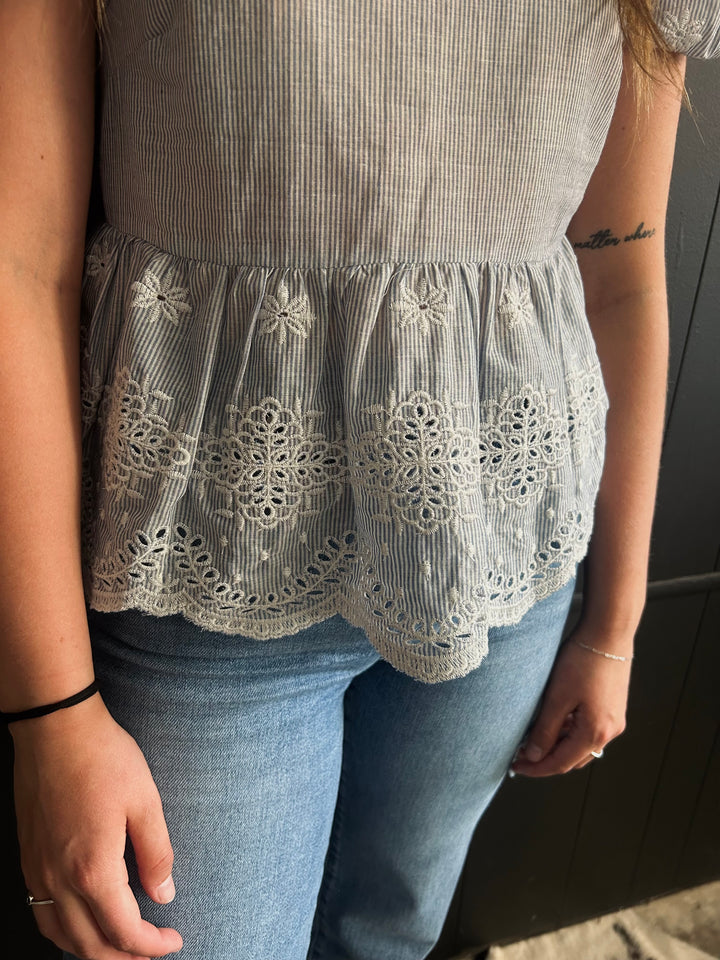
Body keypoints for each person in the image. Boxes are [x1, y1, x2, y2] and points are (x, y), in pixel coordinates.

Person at [1, 1, 718, 958]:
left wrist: (613, 626)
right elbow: (19, 265)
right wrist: (51, 712)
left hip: (502, 573)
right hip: (205, 584)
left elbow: (621, 270)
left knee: (390, 938)